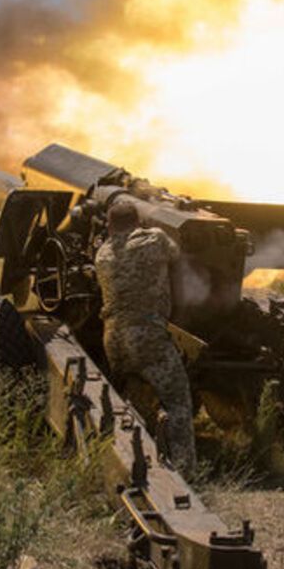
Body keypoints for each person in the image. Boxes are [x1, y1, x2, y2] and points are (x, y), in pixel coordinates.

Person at [94, 198, 197, 476]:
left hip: (113, 338)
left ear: (109, 225)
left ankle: (130, 462)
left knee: (134, 400)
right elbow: (177, 254)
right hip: (148, 336)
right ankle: (183, 473)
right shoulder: (155, 240)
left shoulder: (101, 253)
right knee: (177, 401)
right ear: (139, 221)